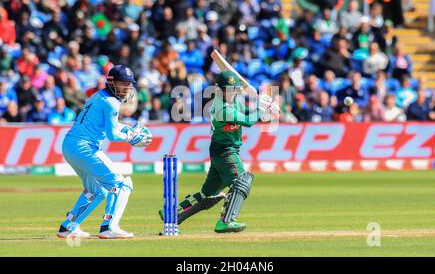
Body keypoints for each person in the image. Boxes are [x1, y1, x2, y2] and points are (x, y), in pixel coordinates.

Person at [158, 71, 279, 233]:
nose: (229, 93)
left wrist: (267, 110)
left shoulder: (236, 99)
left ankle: (171, 213)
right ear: (218, 90)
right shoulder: (220, 108)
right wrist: (260, 107)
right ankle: (226, 221)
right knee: (242, 181)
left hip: (225, 149)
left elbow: (252, 116)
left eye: (233, 90)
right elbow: (248, 121)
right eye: (226, 90)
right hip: (224, 150)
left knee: (208, 194)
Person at [57, 65, 152, 239]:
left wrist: (128, 129)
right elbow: (112, 134)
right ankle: (109, 226)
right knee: (121, 184)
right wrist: (131, 136)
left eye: (129, 84)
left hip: (70, 146)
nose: (127, 88)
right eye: (123, 83)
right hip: (84, 147)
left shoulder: (99, 95)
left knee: (96, 190)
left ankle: (68, 226)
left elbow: (111, 127)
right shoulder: (111, 102)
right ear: (112, 82)